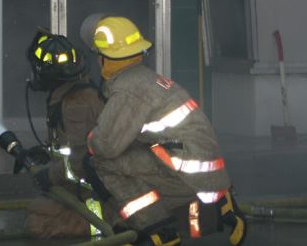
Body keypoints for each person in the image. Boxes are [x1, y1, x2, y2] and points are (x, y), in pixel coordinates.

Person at [83, 15, 246, 246]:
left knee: (101, 162)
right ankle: (220, 208)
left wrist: (90, 141)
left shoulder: (129, 91)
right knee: (131, 153)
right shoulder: (148, 79)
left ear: (104, 59)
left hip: (189, 179)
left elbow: (105, 145)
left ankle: (158, 229)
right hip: (211, 179)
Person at [22, 29, 111, 239]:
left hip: (94, 196)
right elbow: (71, 144)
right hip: (82, 188)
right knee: (37, 209)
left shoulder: (75, 104)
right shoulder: (68, 95)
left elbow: (81, 161)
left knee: (37, 222)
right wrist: (48, 154)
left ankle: (103, 226)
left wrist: (50, 175)